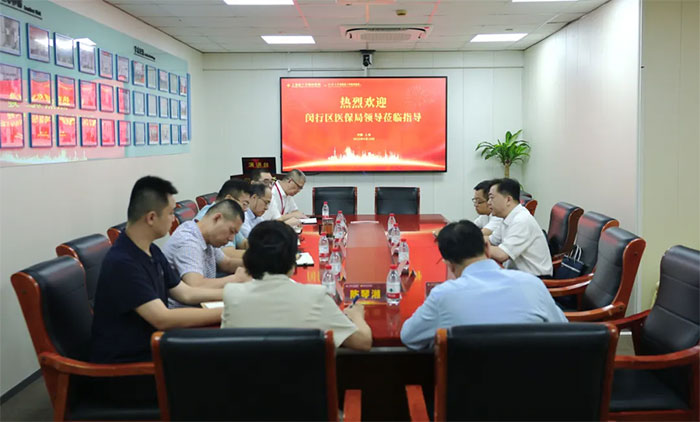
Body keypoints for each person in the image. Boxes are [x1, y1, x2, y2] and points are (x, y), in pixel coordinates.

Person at [90, 176, 224, 364]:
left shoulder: (151, 250)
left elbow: (185, 293)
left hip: (155, 345)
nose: (174, 219)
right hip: (130, 363)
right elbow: (163, 318)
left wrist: (234, 295)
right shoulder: (122, 262)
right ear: (151, 217)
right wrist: (228, 311)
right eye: (170, 213)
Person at [400, 220, 567, 350]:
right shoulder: (532, 285)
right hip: (533, 382)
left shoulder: (443, 296)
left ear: (448, 264)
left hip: (468, 385)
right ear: (487, 248)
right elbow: (564, 331)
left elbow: (409, 337)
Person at [221, 221, 372, 351]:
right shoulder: (315, 297)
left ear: (248, 258)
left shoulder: (232, 294)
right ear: (292, 260)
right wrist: (356, 316)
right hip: (303, 377)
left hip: (247, 377)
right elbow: (363, 342)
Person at [163, 199, 250, 306]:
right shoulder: (188, 241)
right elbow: (196, 285)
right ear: (217, 218)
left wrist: (257, 263)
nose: (231, 239)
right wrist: (237, 279)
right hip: (184, 311)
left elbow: (226, 263)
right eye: (231, 231)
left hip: (203, 304)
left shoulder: (206, 237)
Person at [487, 178, 553, 277]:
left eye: (491, 198)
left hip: (535, 280)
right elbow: (491, 240)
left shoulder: (521, 220)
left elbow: (502, 255)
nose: (488, 202)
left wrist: (475, 247)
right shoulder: (507, 218)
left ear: (508, 199)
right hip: (519, 276)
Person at [195, 178, 252, 254]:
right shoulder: (211, 216)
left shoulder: (231, 217)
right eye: (244, 204)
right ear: (229, 199)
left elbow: (243, 244)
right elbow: (228, 254)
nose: (245, 210)